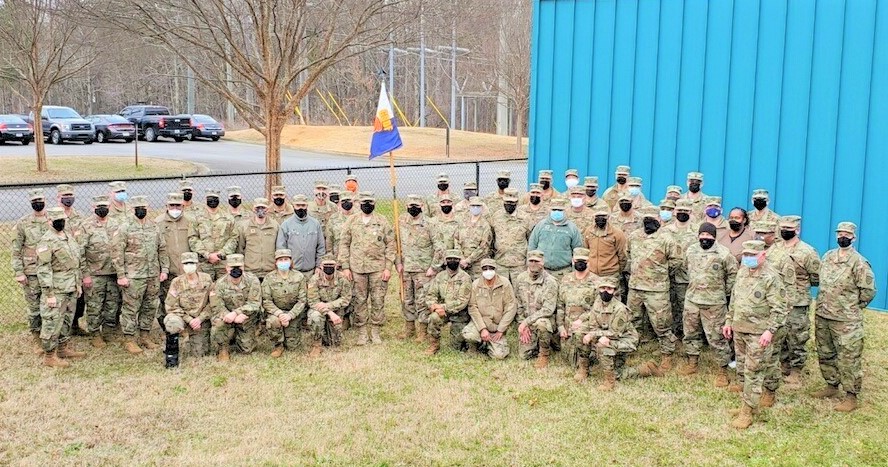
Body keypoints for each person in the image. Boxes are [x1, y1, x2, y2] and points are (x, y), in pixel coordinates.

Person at [811, 222, 876, 412]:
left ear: (853, 238)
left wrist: (852, 307)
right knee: (825, 352)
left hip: (846, 320)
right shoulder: (828, 256)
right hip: (823, 314)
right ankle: (831, 385)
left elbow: (868, 291)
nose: (843, 237)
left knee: (849, 357)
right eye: (840, 233)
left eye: (847, 234)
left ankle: (851, 395)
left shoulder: (859, 262)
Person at [723, 240, 787, 429]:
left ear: (763, 255)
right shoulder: (742, 272)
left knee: (754, 372)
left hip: (759, 334)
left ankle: (747, 412)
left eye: (752, 255)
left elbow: (780, 308)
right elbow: (735, 300)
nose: (748, 258)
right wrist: (729, 321)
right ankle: (747, 403)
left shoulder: (771, 277)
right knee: (742, 369)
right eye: (746, 255)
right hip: (740, 329)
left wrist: (770, 330)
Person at [575, 277, 664, 390]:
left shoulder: (620, 309)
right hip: (605, 334)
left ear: (614, 291)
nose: (605, 291)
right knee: (580, 334)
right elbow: (593, 319)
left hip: (625, 339)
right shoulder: (598, 301)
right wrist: (586, 327)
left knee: (604, 349)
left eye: (609, 289)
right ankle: (584, 370)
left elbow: (615, 333)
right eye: (602, 288)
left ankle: (612, 381)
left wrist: (593, 335)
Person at [679, 222, 737, 387]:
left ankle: (722, 371)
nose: (705, 239)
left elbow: (732, 275)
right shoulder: (691, 250)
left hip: (714, 303)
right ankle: (692, 362)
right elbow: (686, 268)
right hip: (692, 300)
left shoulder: (724, 254)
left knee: (717, 338)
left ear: (714, 237)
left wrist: (722, 292)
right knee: (690, 333)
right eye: (702, 236)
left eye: (708, 236)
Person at [626, 207, 681, 370]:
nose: (649, 221)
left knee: (661, 323)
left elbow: (677, 261)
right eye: (646, 218)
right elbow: (628, 255)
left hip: (657, 290)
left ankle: (667, 354)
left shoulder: (667, 238)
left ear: (659, 219)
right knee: (632, 320)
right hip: (635, 288)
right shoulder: (634, 236)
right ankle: (629, 348)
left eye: (652, 218)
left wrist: (660, 273)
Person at [113, 196, 169, 355]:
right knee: (131, 307)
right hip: (133, 276)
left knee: (150, 305)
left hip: (152, 274)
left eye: (143, 207)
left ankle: (145, 335)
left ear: (148, 208)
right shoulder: (125, 228)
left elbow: (162, 249)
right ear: (132, 209)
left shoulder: (154, 227)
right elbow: (117, 253)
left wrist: (164, 269)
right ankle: (129, 339)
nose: (141, 210)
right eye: (138, 208)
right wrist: (121, 275)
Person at [338, 192, 395, 345]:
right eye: (364, 202)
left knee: (378, 299)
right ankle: (362, 332)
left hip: (378, 268)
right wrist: (345, 267)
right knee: (359, 300)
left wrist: (388, 267)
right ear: (359, 203)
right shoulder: (352, 221)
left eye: (370, 202)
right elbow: (344, 244)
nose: (367, 204)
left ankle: (375, 331)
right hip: (357, 269)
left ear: (374, 203)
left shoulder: (382, 221)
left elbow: (391, 244)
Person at [774, 215, 820, 385]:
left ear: (797, 230)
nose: (785, 231)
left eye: (789, 228)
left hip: (797, 301)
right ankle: (783, 364)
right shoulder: (775, 248)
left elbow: (816, 277)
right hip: (778, 299)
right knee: (780, 333)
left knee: (796, 335)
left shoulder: (807, 251)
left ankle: (796, 370)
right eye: (783, 228)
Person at [36, 207, 85, 367]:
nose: (60, 222)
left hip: (71, 287)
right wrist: (49, 294)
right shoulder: (46, 241)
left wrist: (78, 285)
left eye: (62, 219)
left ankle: (63, 349)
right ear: (49, 221)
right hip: (56, 289)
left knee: (66, 320)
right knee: (52, 322)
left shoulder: (68, 237)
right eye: (57, 220)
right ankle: (50, 356)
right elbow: (44, 269)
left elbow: (75, 264)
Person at [13, 188, 50, 353]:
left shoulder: (54, 219)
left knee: (50, 305)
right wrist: (19, 272)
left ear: (46, 200)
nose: (38, 203)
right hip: (32, 271)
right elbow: (16, 250)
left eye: (40, 200)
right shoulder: (23, 223)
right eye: (35, 201)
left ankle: (49, 336)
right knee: (34, 307)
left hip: (51, 272)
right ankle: (37, 338)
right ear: (31, 203)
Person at [81, 195, 121, 348]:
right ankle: (95, 334)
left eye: (104, 206)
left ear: (109, 207)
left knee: (112, 304)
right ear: (93, 208)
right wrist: (85, 275)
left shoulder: (116, 224)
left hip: (113, 273)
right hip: (94, 274)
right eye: (99, 206)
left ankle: (109, 331)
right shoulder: (86, 226)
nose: (102, 209)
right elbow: (81, 252)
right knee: (94, 306)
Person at [397, 195, 438, 341]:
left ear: (421, 205)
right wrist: (398, 263)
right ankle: (409, 329)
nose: (413, 208)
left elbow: (439, 248)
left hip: (423, 270)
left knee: (422, 301)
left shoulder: (430, 224)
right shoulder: (401, 222)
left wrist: (433, 267)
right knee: (407, 299)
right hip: (406, 268)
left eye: (416, 205)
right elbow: (397, 245)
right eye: (410, 205)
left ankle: (423, 331)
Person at [556, 247, 600, 375]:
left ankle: (585, 365)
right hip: (568, 328)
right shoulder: (565, 280)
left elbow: (598, 309)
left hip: (586, 325)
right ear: (572, 261)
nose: (580, 263)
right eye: (577, 260)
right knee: (569, 360)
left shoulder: (596, 282)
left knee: (587, 358)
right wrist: (560, 327)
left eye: (583, 261)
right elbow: (560, 305)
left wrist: (582, 320)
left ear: (589, 262)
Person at [210, 254, 262, 361]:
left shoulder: (252, 280)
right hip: (227, 316)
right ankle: (223, 348)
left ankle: (239, 336)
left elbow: (254, 303)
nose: (236, 270)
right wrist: (230, 316)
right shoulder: (219, 283)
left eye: (239, 267)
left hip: (246, 317)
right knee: (218, 323)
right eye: (232, 267)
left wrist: (238, 313)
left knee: (246, 349)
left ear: (243, 267)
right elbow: (217, 305)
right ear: (227, 268)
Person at [462, 258, 516, 359]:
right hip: (481, 323)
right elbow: (473, 307)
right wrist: (482, 329)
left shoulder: (505, 283)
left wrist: (501, 330)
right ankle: (473, 347)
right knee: (469, 334)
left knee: (499, 356)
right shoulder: (475, 285)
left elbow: (511, 307)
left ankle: (487, 345)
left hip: (497, 326)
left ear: (495, 269)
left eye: (491, 268)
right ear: (481, 270)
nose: (488, 271)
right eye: (485, 268)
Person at [513, 250, 559, 368]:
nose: (533, 264)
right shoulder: (520, 278)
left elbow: (548, 310)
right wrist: (523, 324)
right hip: (527, 324)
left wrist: (526, 322)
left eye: (537, 261)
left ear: (543, 262)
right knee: (525, 355)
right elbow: (518, 304)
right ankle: (539, 343)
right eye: (531, 261)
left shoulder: (550, 282)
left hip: (545, 321)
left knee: (542, 323)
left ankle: (544, 354)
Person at [163, 252, 213, 358]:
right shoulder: (176, 282)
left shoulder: (207, 279)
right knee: (172, 322)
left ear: (197, 264)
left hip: (200, 319)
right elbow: (171, 306)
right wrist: (189, 319)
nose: (189, 266)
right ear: (182, 266)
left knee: (200, 353)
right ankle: (172, 355)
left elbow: (212, 302)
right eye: (186, 264)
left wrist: (200, 319)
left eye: (192, 263)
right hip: (183, 317)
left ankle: (190, 339)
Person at [424, 250, 474, 355]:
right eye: (449, 259)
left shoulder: (465, 278)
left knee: (456, 349)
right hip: (443, 312)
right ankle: (434, 345)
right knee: (433, 318)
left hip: (460, 315)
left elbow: (462, 302)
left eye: (455, 259)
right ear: (445, 261)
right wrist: (435, 307)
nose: (452, 261)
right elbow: (430, 295)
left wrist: (443, 307)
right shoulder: (440, 276)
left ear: (459, 261)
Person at [261, 249, 309, 358]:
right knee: (273, 321)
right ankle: (278, 345)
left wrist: (289, 316)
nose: (283, 262)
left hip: (293, 314)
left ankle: (289, 336)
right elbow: (266, 300)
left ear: (291, 261)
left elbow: (302, 300)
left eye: (286, 259)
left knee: (293, 347)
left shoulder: (299, 277)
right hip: (276, 313)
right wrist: (279, 314)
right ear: (276, 262)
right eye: (280, 260)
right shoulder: (269, 278)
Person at [156, 193, 193, 330]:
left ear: (183, 206)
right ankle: (167, 327)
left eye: (178, 205)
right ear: (167, 206)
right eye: (172, 205)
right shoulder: (159, 222)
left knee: (186, 299)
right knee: (166, 299)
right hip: (168, 269)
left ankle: (185, 326)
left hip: (186, 269)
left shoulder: (190, 221)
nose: (175, 208)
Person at [56, 184, 87, 336]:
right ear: (58, 198)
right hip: (60, 266)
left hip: (77, 265)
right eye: (65, 196)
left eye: (70, 195)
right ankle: (60, 331)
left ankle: (74, 324)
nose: (68, 199)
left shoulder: (79, 217)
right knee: (61, 300)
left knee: (79, 299)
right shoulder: (53, 216)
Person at [664, 199, 697, 337]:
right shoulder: (666, 230)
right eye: (679, 210)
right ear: (674, 211)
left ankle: (687, 334)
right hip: (669, 275)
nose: (682, 213)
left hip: (687, 277)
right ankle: (671, 333)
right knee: (669, 305)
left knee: (686, 307)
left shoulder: (696, 230)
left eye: (685, 211)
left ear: (691, 212)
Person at [528, 198, 583, 280]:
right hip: (542, 272)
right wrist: (530, 267)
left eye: (560, 210)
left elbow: (577, 250)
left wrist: (574, 271)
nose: (556, 212)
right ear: (550, 210)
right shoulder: (541, 225)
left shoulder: (572, 228)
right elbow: (532, 246)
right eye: (554, 209)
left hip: (564, 272)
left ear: (565, 211)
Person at [188, 189, 237, 280]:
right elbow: (193, 238)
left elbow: (233, 238)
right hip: (204, 263)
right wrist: (207, 255)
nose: (213, 201)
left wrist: (221, 253)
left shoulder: (228, 217)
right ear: (205, 199)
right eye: (210, 198)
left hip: (222, 263)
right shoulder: (197, 217)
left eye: (215, 198)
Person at [583, 205, 628, 300]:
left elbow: (622, 255)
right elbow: (586, 250)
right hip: (592, 274)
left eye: (603, 217)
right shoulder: (588, 232)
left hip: (610, 275)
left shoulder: (617, 234)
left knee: (612, 301)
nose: (600, 219)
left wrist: (615, 270)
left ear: (608, 217)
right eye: (598, 216)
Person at [307, 255, 353, 348]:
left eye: (331, 265)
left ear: (336, 266)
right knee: (315, 317)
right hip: (318, 310)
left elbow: (346, 299)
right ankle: (317, 345)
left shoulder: (342, 279)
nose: (329, 267)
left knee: (334, 343)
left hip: (337, 309)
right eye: (326, 265)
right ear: (321, 266)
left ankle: (341, 325)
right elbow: (312, 301)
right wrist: (330, 313)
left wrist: (328, 306)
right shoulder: (314, 279)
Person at [276, 194, 325, 274]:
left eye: (303, 205)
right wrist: (285, 268)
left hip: (312, 271)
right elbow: (281, 249)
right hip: (292, 272)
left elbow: (321, 247)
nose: (300, 208)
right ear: (293, 206)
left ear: (307, 206)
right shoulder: (286, 225)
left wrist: (318, 266)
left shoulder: (315, 224)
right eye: (298, 205)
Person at [491, 188, 530, 285]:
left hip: (519, 265)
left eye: (512, 202)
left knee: (519, 293)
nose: (509, 205)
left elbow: (530, 239)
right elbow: (491, 238)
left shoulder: (525, 218)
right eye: (507, 202)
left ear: (517, 202)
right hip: (500, 264)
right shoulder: (496, 217)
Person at [238, 198, 279, 280]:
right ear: (253, 209)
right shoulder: (245, 226)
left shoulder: (275, 226)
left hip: (270, 271)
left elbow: (278, 247)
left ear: (267, 209)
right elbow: (240, 248)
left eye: (263, 208)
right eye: (258, 208)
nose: (260, 210)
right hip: (251, 271)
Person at [454, 196, 493, 279]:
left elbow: (484, 247)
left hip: (477, 266)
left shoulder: (485, 225)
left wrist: (468, 260)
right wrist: (461, 258)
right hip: (462, 264)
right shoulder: (462, 223)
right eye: (473, 206)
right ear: (469, 207)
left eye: (478, 206)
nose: (475, 208)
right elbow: (456, 240)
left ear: (482, 208)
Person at [325, 191, 356, 259]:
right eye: (343, 201)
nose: (346, 202)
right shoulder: (334, 218)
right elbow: (329, 238)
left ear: (353, 202)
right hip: (338, 257)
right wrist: (330, 254)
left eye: (348, 200)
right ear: (339, 203)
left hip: (355, 259)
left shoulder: (359, 217)